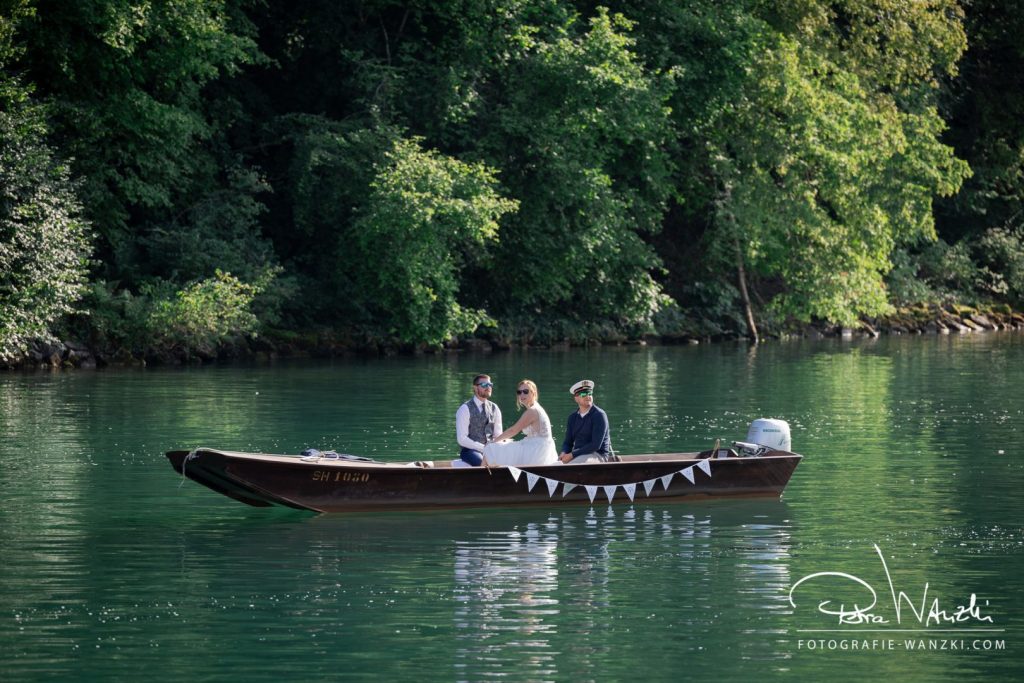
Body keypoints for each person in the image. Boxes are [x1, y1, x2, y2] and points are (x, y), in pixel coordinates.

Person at [483, 380, 559, 467]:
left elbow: (513, 430)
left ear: (533, 393)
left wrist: (493, 441)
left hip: (536, 451)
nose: (522, 395)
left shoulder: (532, 411)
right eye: (519, 392)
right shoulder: (535, 408)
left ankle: (479, 477)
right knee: (499, 446)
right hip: (536, 446)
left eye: (525, 392)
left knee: (491, 448)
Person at [558, 379, 613, 464]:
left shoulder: (599, 415)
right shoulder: (572, 417)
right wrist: (564, 452)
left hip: (598, 455)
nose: (588, 396)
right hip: (578, 454)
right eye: (584, 394)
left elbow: (595, 445)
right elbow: (568, 442)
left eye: (590, 393)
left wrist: (572, 455)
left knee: (572, 466)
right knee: (556, 465)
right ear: (576, 398)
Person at [455, 374, 504, 466]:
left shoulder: (495, 408)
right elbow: (461, 439)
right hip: (470, 451)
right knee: (485, 464)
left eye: (490, 384)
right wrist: (483, 448)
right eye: (484, 385)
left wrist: (496, 448)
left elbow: (498, 435)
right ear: (475, 388)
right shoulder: (464, 409)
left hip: (492, 449)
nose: (488, 387)